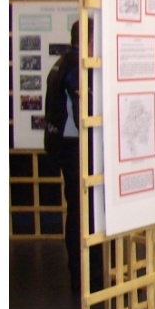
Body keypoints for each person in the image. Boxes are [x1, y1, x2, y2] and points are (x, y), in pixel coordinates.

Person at [44, 19, 102, 295]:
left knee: (79, 210)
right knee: (83, 213)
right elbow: (84, 114)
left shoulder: (61, 63)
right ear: (89, 38)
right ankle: (84, 277)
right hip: (78, 148)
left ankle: (84, 275)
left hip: (67, 148)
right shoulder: (76, 67)